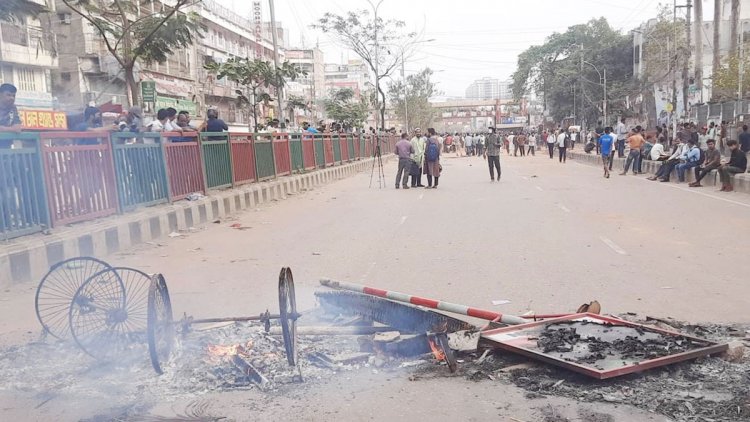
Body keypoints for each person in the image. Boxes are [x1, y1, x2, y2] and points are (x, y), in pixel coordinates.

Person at [0, 83, 22, 148]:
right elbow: (14, 129)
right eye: (8, 95)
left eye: (13, 96)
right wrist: (12, 129)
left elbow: (18, 128)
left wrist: (3, 128)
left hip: (6, 148)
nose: (12, 98)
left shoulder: (13, 108)